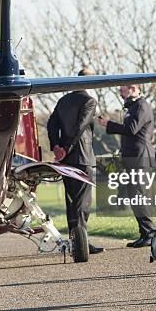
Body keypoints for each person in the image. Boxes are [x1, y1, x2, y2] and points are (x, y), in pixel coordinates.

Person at [47, 68, 104, 255]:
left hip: (66, 159)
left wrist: (56, 145)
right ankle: (81, 242)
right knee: (82, 201)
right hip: (81, 156)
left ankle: (75, 240)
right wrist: (66, 148)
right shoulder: (89, 101)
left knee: (71, 200)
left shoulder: (63, 101)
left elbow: (51, 124)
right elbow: (81, 127)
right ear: (89, 81)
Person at [97, 84, 156, 247]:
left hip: (140, 158)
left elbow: (131, 129)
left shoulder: (141, 105)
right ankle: (146, 233)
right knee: (135, 195)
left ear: (137, 89)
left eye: (128, 88)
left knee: (138, 195)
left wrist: (108, 124)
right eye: (123, 89)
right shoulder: (133, 107)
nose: (125, 91)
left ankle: (151, 233)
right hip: (133, 158)